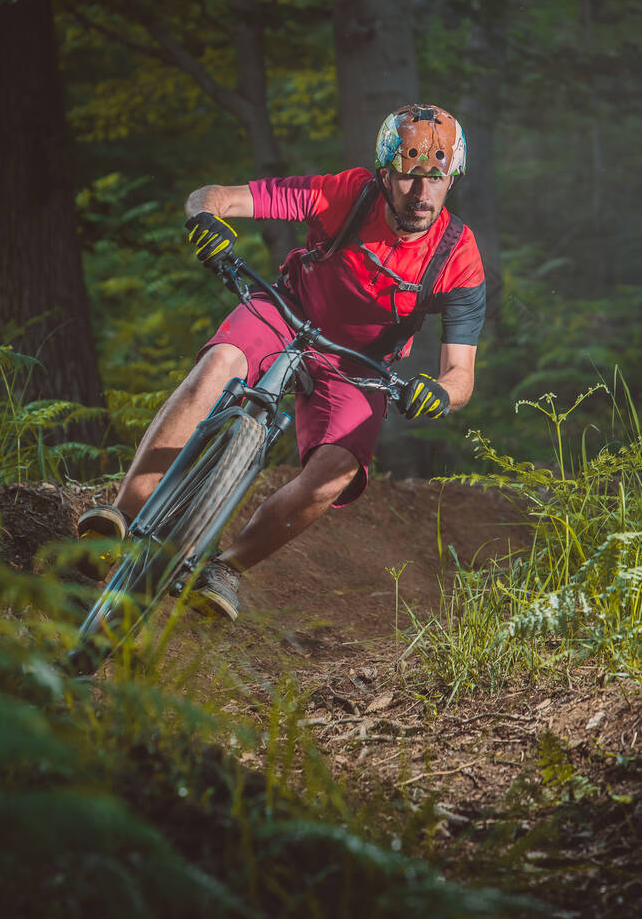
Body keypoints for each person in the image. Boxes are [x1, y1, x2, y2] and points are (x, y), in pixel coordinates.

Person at [77, 104, 486, 621]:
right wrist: (205, 218)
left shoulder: (459, 256)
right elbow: (216, 196)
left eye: (436, 178)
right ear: (385, 173)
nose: (420, 193)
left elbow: (462, 378)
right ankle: (122, 514)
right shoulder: (345, 194)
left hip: (358, 364)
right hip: (288, 312)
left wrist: (439, 393)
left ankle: (225, 568)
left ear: (452, 180)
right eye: (408, 176)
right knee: (219, 363)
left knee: (340, 469)